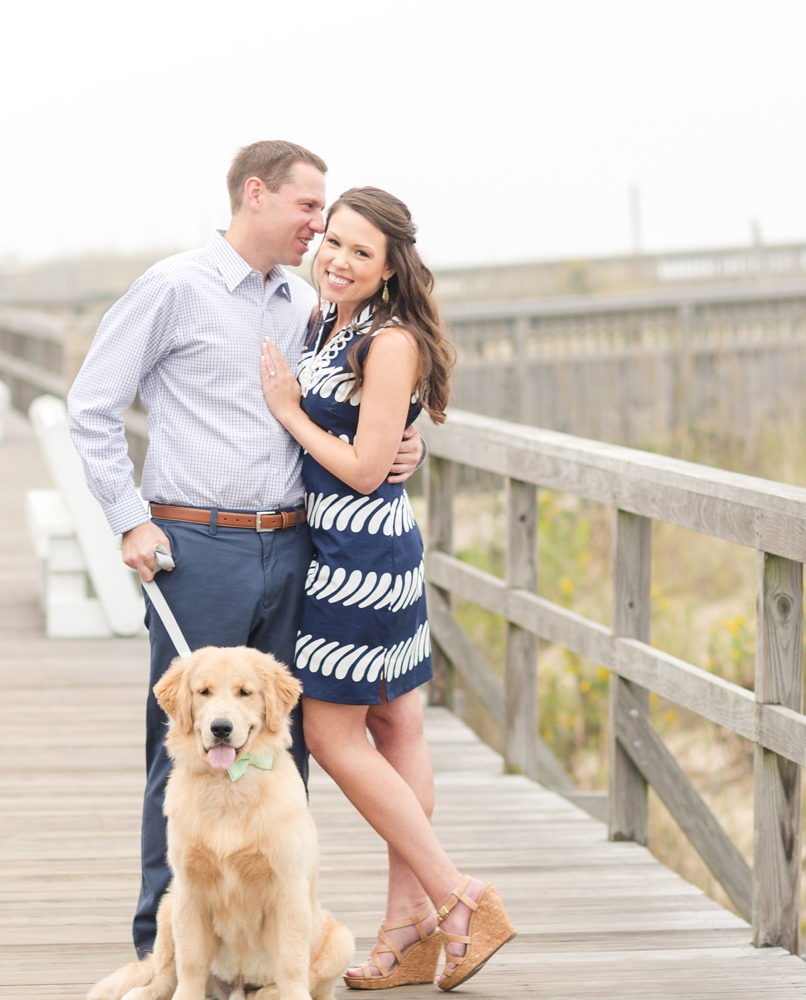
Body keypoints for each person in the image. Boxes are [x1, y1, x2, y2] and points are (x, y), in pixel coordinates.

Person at [68, 142, 425, 961]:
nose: (319, 228)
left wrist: (408, 450)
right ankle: (163, 949)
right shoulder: (173, 287)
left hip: (297, 545)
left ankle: (271, 946)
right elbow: (90, 405)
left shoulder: (302, 304)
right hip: (197, 545)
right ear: (255, 195)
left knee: (278, 746)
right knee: (193, 745)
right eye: (309, 209)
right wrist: (129, 519)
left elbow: (353, 411)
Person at [258, 186, 514, 992]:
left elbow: (366, 467)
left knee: (334, 738)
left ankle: (458, 896)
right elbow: (381, 440)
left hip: (356, 560)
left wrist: (288, 413)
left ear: (391, 266)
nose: (337, 259)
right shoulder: (326, 321)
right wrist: (399, 445)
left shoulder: (390, 338)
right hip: (363, 546)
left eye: (360, 252)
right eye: (331, 241)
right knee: (399, 726)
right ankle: (406, 933)